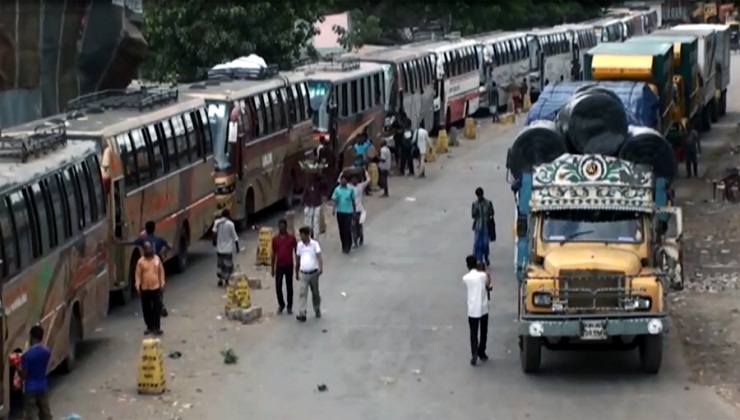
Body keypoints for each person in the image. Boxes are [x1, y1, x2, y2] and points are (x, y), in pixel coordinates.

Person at [126, 220, 171, 316]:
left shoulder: (144, 240)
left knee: (148, 284)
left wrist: (118, 242)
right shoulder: (159, 239)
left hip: (147, 264)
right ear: (154, 229)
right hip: (158, 263)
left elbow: (131, 242)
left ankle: (155, 306)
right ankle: (160, 304)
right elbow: (169, 246)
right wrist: (162, 254)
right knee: (159, 283)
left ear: (146, 230)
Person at [20, 326, 52, 420]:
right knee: (45, 414)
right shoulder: (47, 352)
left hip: (30, 389)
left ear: (31, 337)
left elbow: (25, 375)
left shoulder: (27, 355)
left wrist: (18, 368)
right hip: (42, 387)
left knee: (31, 415)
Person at [463, 255, 490, 366]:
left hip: (472, 308)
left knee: (473, 332)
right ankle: (481, 351)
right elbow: (488, 283)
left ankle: (474, 353)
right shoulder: (483, 276)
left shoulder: (466, 278)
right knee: (483, 331)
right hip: (483, 307)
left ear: (468, 265)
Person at [135, 241, 166, 335]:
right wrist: (137, 286)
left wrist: (162, 284)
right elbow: (138, 275)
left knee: (157, 309)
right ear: (144, 250)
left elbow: (161, 272)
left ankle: (157, 327)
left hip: (156, 288)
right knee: (146, 309)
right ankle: (149, 327)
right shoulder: (140, 262)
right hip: (145, 289)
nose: (149, 250)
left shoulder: (157, 259)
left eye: (150, 248)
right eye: (147, 248)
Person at [295, 226, 323, 322]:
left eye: (302, 235)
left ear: (307, 235)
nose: (301, 237)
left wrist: (320, 268)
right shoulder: (299, 245)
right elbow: (297, 259)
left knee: (315, 293)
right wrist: (296, 271)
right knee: (303, 293)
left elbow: (319, 256)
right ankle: (302, 312)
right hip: (303, 273)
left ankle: (317, 308)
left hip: (314, 272)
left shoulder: (314, 244)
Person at [271, 219, 297, 314]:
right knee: (278, 286)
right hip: (279, 266)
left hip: (289, 265)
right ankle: (281, 304)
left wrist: (297, 266)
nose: (281, 228)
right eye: (280, 226)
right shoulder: (275, 239)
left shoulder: (291, 238)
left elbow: (296, 251)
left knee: (289, 287)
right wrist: (272, 267)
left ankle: (289, 306)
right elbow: (273, 254)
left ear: (286, 227)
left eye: (283, 226)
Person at [213, 209, 240, 287]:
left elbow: (214, 233)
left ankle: (220, 279)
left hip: (219, 248)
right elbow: (235, 237)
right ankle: (227, 280)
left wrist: (214, 242)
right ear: (228, 215)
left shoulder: (217, 223)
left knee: (220, 265)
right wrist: (237, 247)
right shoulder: (230, 224)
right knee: (228, 265)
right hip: (228, 249)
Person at [331, 175, 356, 253]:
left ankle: (348, 244)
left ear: (347, 181)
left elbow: (353, 201)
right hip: (340, 212)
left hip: (349, 212)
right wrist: (334, 209)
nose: (343, 181)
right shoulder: (337, 190)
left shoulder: (350, 190)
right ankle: (343, 245)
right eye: (342, 180)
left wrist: (354, 212)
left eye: (344, 180)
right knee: (341, 230)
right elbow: (335, 200)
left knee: (347, 229)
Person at [471, 187, 495, 266]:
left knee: (485, 244)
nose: (479, 197)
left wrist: (489, 213)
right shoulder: (475, 204)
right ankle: (479, 259)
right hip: (478, 226)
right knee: (477, 244)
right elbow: (473, 216)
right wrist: (476, 212)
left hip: (486, 226)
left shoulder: (488, 203)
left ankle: (486, 257)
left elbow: (492, 213)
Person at [346, 169, 370, 247]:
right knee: (352, 225)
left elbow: (368, 180)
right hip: (351, 209)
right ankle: (355, 240)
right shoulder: (348, 186)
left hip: (360, 209)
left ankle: (361, 237)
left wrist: (366, 172)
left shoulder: (361, 186)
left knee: (359, 225)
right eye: (353, 178)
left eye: (356, 178)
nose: (354, 180)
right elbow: (339, 181)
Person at [302, 174, 324, 239]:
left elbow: (324, 188)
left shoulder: (319, 185)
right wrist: (303, 202)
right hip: (309, 205)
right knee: (308, 221)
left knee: (316, 220)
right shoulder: (308, 186)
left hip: (317, 204)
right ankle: (309, 234)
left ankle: (315, 236)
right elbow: (304, 194)